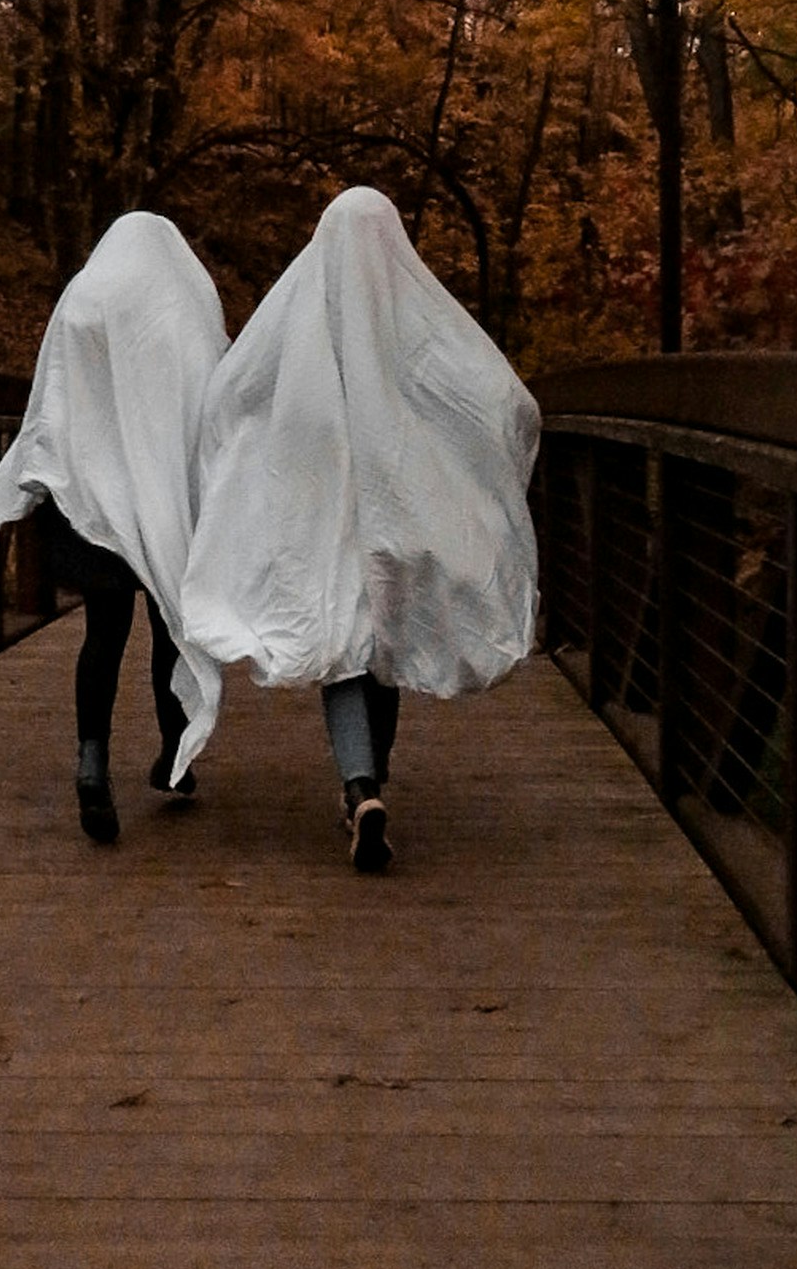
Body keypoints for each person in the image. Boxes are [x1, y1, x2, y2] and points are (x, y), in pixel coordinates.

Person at [179, 184, 540, 873]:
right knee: (386, 645)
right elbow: (495, 397)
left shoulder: (292, 315)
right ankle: (373, 780)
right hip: (398, 519)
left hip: (315, 522)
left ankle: (358, 783)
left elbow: (233, 395)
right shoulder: (419, 321)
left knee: (341, 645)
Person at [0, 212, 228, 844]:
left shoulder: (82, 300)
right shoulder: (185, 308)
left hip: (93, 509)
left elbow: (51, 402)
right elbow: (213, 400)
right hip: (163, 500)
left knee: (103, 635)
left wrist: (29, 485)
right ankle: (171, 756)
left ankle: (91, 761)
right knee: (169, 624)